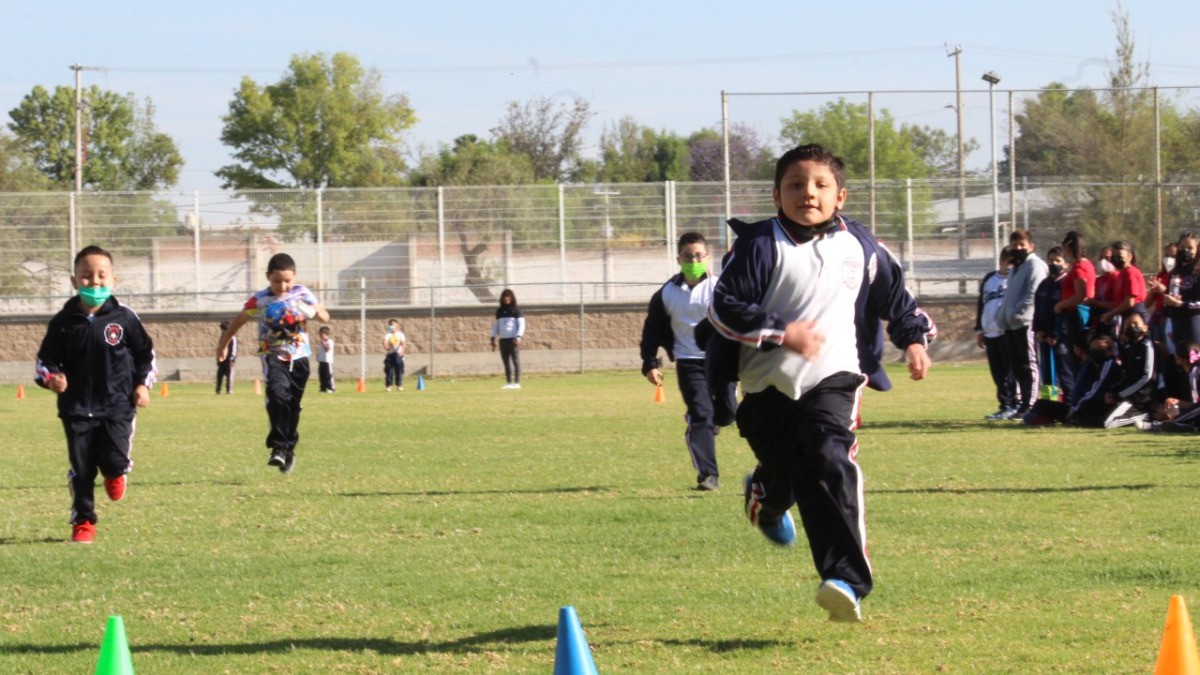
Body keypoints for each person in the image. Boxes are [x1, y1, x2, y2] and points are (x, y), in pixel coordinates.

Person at [708, 144, 934, 623]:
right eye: (794, 184)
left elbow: (899, 299)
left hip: (835, 376)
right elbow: (722, 308)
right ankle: (766, 498)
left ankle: (846, 580)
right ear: (775, 194)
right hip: (766, 388)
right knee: (787, 469)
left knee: (828, 458)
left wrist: (913, 340)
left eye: (819, 185)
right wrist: (782, 332)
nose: (806, 193)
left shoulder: (862, 246)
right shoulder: (758, 245)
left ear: (841, 196)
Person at [35, 245, 157, 543]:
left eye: (102, 275)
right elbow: (44, 361)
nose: (95, 281)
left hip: (118, 405)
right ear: (74, 281)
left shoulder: (125, 319)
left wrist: (143, 384)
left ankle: (117, 472)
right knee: (83, 468)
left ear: (113, 279)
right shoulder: (63, 323)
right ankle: (83, 521)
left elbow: (146, 355)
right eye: (86, 276)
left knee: (113, 461)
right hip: (76, 407)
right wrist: (51, 379)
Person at [639, 231, 738, 492]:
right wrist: (650, 363)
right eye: (687, 256)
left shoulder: (721, 288)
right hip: (689, 361)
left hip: (721, 360)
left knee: (729, 413)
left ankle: (702, 425)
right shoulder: (667, 293)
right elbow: (651, 330)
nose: (693, 260)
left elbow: (738, 321)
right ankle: (708, 475)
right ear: (678, 259)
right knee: (701, 415)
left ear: (708, 257)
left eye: (698, 255)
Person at [217, 253, 329, 474]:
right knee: (278, 397)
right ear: (268, 277)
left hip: (300, 358)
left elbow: (325, 317)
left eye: (287, 280)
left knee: (293, 406)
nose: (283, 286)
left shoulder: (303, 293)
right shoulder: (261, 299)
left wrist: (314, 311)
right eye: (277, 281)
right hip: (273, 356)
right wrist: (223, 343)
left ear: (294, 277)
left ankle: (288, 448)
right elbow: (239, 320)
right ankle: (277, 448)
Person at [998, 229, 1048, 417]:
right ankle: (1023, 404)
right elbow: (1009, 295)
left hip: (1027, 323)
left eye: (1021, 245)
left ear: (1031, 247)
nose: (1017, 249)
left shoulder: (1035, 265)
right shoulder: (1015, 267)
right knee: (1017, 365)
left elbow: (1033, 294)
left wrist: (1015, 313)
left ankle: (1031, 404)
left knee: (1029, 364)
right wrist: (1003, 318)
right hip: (1011, 325)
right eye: (1014, 246)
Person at [975, 247, 1017, 419]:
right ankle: (1004, 405)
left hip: (1006, 331)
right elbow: (982, 304)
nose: (1009, 266)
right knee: (997, 372)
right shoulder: (990, 279)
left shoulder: (1014, 280)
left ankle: (1014, 404)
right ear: (1001, 261)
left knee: (1009, 371)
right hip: (990, 332)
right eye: (1007, 261)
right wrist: (980, 329)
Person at [1054, 230, 1095, 389]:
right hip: (1075, 316)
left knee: (1077, 358)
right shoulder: (1085, 265)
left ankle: (1081, 396)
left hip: (1076, 318)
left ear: (1068, 247)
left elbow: (1081, 295)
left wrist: (1061, 305)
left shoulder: (1079, 267)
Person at [1033, 246, 1074, 402]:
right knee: (1048, 374)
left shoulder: (1067, 284)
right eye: (1051, 260)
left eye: (1058, 260)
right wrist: (1037, 330)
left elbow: (1065, 313)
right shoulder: (1043, 285)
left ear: (1066, 264)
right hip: (1044, 337)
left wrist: (1056, 334)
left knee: (1065, 372)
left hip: (1061, 337)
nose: (1053, 263)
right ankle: (1050, 404)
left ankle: (1070, 403)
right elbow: (1037, 310)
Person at [1096, 240, 1147, 330]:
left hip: (1134, 315)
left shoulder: (1131, 273)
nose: (1116, 259)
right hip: (1125, 314)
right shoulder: (1122, 273)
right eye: (1114, 256)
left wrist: (1111, 314)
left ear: (1129, 256)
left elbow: (1129, 302)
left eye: (1119, 256)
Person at [1162, 231, 1200, 351]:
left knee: (1194, 358)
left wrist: (1181, 304)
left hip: (1193, 322)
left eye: (1190, 248)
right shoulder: (1175, 272)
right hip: (1176, 322)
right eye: (1182, 247)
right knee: (1180, 360)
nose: (1185, 250)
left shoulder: (1198, 272)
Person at [1145, 242, 1179, 347]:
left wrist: (1163, 289)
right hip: (1158, 317)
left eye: (1173, 256)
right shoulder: (1162, 275)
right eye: (1167, 256)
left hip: (1171, 318)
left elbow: (1178, 297)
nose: (1169, 259)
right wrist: (1152, 292)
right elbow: (1147, 304)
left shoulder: (1180, 276)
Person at [491, 289, 525, 389]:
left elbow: (521, 325)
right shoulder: (500, 311)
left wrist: (518, 337)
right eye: (504, 297)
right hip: (503, 340)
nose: (506, 298)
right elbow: (496, 326)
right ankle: (509, 382)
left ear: (512, 298)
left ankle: (517, 383)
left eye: (508, 296)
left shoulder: (517, 310)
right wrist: (493, 338)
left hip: (513, 340)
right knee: (506, 362)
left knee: (515, 361)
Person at [383, 319, 406, 391]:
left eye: (392, 325)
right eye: (389, 325)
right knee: (389, 369)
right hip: (390, 354)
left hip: (398, 354)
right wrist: (387, 347)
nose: (390, 326)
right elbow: (385, 342)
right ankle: (389, 386)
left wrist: (401, 351)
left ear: (396, 326)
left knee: (399, 369)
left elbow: (403, 344)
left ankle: (399, 385)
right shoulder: (388, 334)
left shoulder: (400, 334)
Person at [215, 320, 237, 394]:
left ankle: (229, 390)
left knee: (229, 375)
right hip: (222, 359)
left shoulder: (232, 338)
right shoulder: (222, 337)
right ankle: (218, 389)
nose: (222, 331)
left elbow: (234, 348)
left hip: (229, 360)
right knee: (219, 375)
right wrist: (218, 358)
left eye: (223, 330)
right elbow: (219, 347)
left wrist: (232, 358)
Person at [317, 325, 336, 393]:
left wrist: (323, 343)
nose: (320, 335)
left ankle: (331, 387)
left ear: (325, 334)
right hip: (322, 360)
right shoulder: (320, 342)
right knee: (322, 375)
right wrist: (318, 356)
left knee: (328, 375)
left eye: (321, 334)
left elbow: (327, 349)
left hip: (328, 361)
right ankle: (323, 388)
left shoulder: (329, 341)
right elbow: (320, 350)